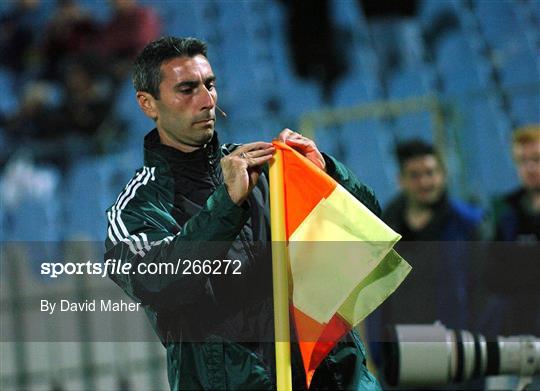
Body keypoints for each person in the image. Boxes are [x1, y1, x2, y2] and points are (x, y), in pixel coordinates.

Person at [104, 36, 382, 390]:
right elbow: (160, 284)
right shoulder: (136, 209)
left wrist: (328, 172)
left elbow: (370, 236)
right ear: (148, 104)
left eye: (210, 85)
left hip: (333, 378)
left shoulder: (270, 168)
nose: (206, 101)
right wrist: (226, 205)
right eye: (187, 89)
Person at [367, 139, 483, 374]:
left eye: (430, 173)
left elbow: (484, 293)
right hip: (400, 361)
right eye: (415, 175)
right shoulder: (383, 229)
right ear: (401, 180)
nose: (425, 182)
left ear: (442, 174)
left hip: (457, 363)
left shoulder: (469, 226)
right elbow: (376, 297)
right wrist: (379, 354)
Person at [478, 125, 540, 338]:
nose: (530, 168)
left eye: (537, 160)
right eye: (523, 162)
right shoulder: (505, 210)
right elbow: (492, 272)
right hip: (517, 324)